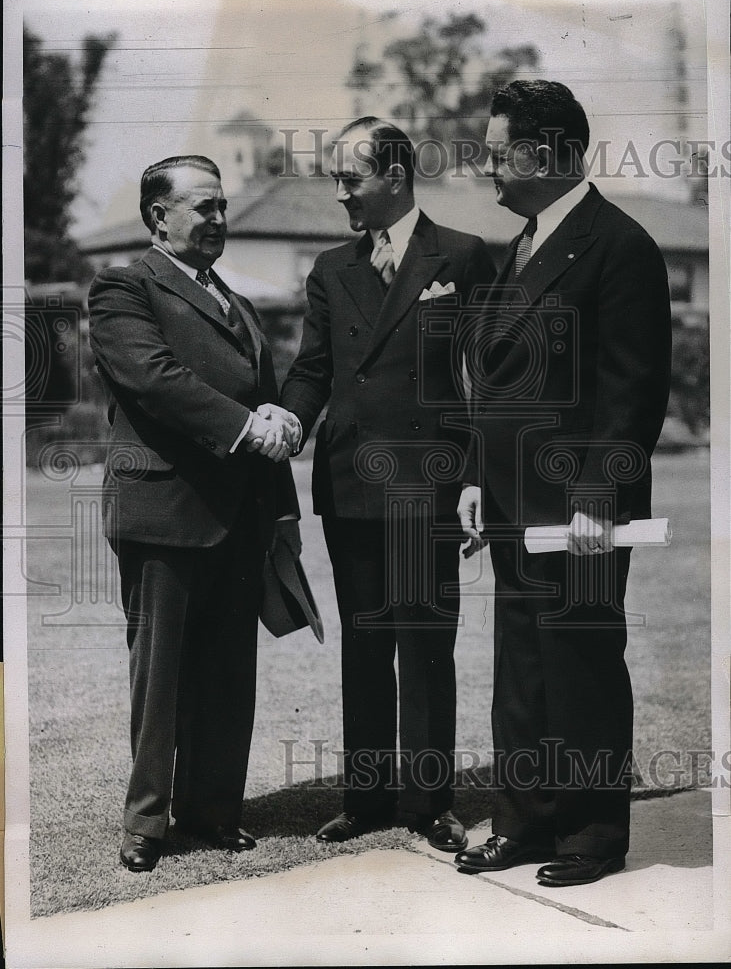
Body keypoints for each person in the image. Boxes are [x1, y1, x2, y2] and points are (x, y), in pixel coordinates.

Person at [455, 81, 672, 885]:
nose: (485, 168)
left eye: (497, 151)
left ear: (549, 154)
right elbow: (496, 384)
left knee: (578, 665)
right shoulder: (519, 244)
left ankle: (587, 835)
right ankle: (523, 823)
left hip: (579, 512)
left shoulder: (620, 246)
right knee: (520, 669)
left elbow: (630, 394)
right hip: (512, 505)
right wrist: (475, 476)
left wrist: (593, 499)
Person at [266, 117, 496, 851]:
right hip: (349, 485)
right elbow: (311, 369)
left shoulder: (461, 256)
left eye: (350, 179)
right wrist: (289, 423)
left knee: (425, 646)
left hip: (427, 488)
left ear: (394, 176)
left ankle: (429, 804)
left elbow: (486, 383)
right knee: (364, 644)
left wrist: (472, 479)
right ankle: (365, 798)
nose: (339, 195)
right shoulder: (332, 268)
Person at [88, 155, 301, 872]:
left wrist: (280, 511)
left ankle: (211, 809)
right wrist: (248, 425)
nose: (218, 220)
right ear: (158, 217)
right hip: (163, 513)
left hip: (237, 516)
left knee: (225, 671)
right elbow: (154, 378)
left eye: (220, 207)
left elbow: (260, 392)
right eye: (202, 208)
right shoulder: (122, 287)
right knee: (160, 677)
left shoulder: (231, 301)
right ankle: (146, 823)